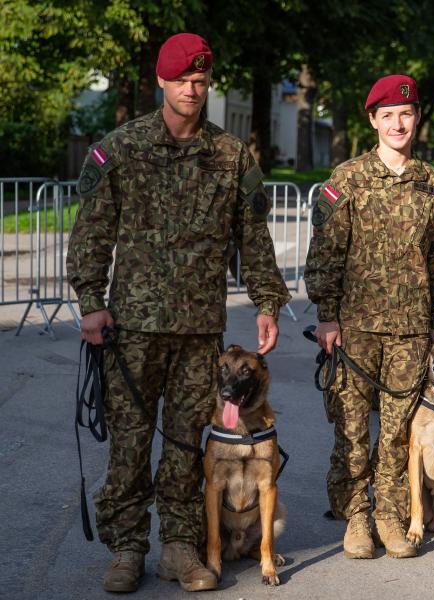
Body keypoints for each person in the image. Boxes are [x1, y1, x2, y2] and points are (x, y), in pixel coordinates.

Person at [67, 33, 290, 593]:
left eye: (200, 80)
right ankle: (127, 549)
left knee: (190, 446)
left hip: (199, 333)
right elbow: (92, 231)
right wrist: (91, 303)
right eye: (182, 80)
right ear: (162, 81)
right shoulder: (121, 148)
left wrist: (267, 302)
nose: (192, 89)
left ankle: (181, 547)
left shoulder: (230, 155)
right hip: (132, 329)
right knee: (130, 444)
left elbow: (253, 238)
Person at [305, 74, 434, 560]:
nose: (398, 124)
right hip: (354, 327)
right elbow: (326, 253)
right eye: (387, 115)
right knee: (351, 427)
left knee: (396, 430)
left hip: (411, 331)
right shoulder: (348, 178)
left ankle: (389, 514)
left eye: (406, 114)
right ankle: (355, 515)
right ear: (372, 120)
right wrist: (327, 316)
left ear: (418, 118)